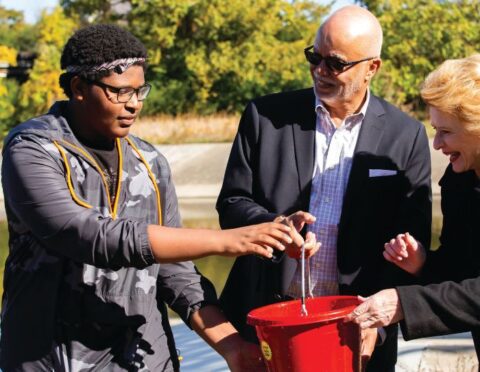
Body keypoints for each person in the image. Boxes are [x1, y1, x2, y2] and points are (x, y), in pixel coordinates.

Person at [0, 24, 308, 371]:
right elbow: (88, 234)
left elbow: (176, 272)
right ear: (79, 88)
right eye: (119, 92)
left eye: (139, 91)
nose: (134, 104)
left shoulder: (150, 163)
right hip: (51, 360)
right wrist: (226, 241)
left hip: (143, 359)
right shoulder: (33, 149)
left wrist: (233, 346)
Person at [216, 5, 431, 371]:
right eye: (314, 57)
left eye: (335, 63)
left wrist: (378, 326)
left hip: (357, 326)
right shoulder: (265, 117)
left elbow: (410, 242)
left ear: (372, 68)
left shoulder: (405, 134)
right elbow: (232, 204)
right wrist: (277, 227)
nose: (320, 70)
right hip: (268, 320)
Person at [346, 54, 480, 360]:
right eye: (435, 130)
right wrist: (423, 263)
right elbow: (463, 271)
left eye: (446, 132)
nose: (436, 145)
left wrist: (405, 303)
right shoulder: (459, 181)